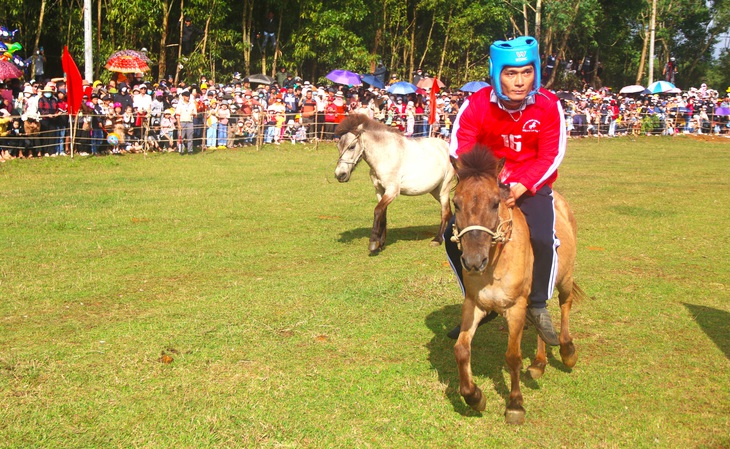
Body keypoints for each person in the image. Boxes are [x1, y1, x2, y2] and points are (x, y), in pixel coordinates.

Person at [444, 36, 566, 346]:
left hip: (531, 185)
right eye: (511, 73)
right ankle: (475, 298)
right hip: (487, 186)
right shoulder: (477, 104)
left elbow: (551, 154)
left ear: (535, 71)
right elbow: (461, 147)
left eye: (526, 72)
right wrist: (491, 184)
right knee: (449, 236)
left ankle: (537, 304)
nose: (520, 81)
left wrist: (522, 183)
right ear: (496, 73)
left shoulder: (549, 106)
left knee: (543, 236)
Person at [175, 90, 197, 154]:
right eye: (186, 96)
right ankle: (181, 150)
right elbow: (177, 115)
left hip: (190, 122)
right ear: (183, 96)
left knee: (190, 137)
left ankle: (190, 150)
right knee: (181, 137)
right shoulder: (180, 104)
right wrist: (178, 124)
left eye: (189, 96)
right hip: (182, 121)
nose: (188, 97)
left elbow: (196, 114)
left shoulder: (192, 104)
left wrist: (193, 114)